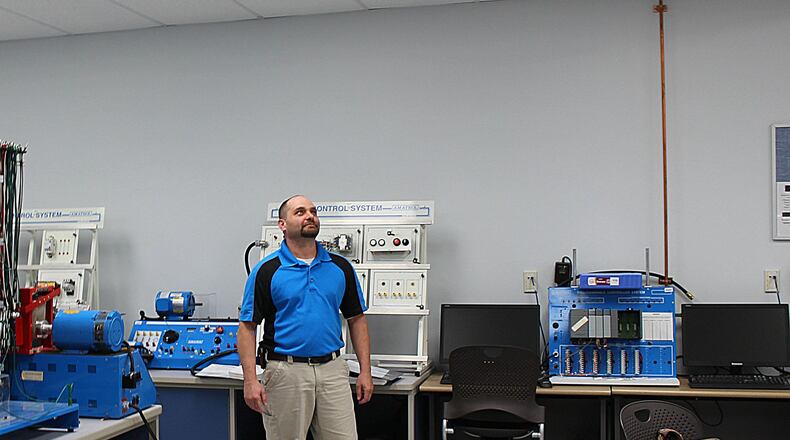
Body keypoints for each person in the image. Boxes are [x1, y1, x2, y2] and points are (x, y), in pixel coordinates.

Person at [238, 195, 374, 440]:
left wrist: (366, 371)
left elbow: (357, 319)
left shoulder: (340, 267)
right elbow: (247, 328)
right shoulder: (267, 271)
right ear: (282, 224)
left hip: (333, 371)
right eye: (300, 212)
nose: (309, 216)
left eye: (313, 211)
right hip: (286, 372)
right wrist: (250, 380)